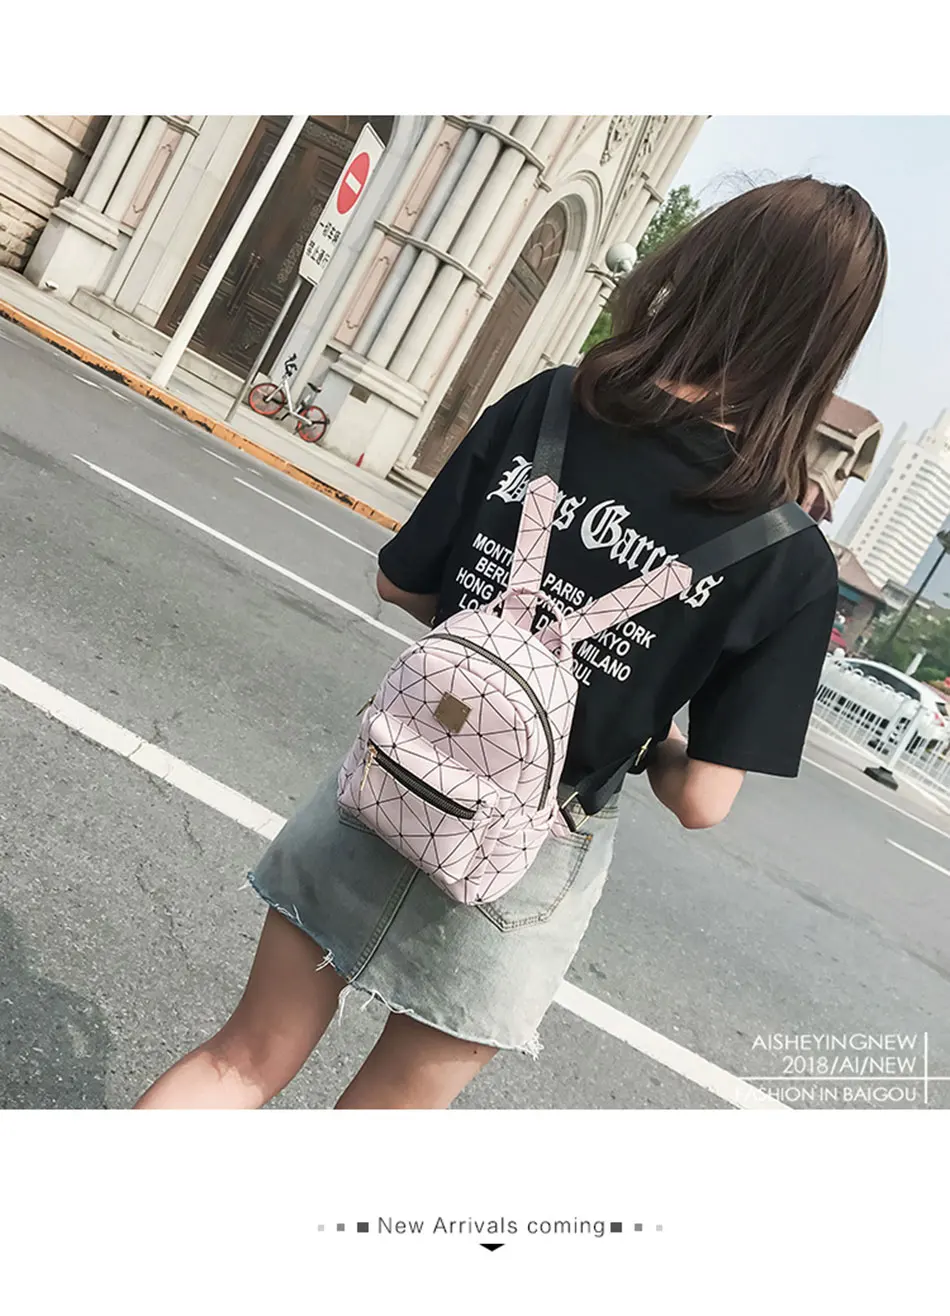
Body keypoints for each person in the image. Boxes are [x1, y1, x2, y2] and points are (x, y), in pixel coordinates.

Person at [135, 176, 887, 1111]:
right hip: (532, 852)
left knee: (244, 1056)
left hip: (402, 765)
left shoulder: (556, 403)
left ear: (702, 264)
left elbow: (402, 581)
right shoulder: (789, 553)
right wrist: (645, 730)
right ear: (826, 343)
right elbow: (702, 800)